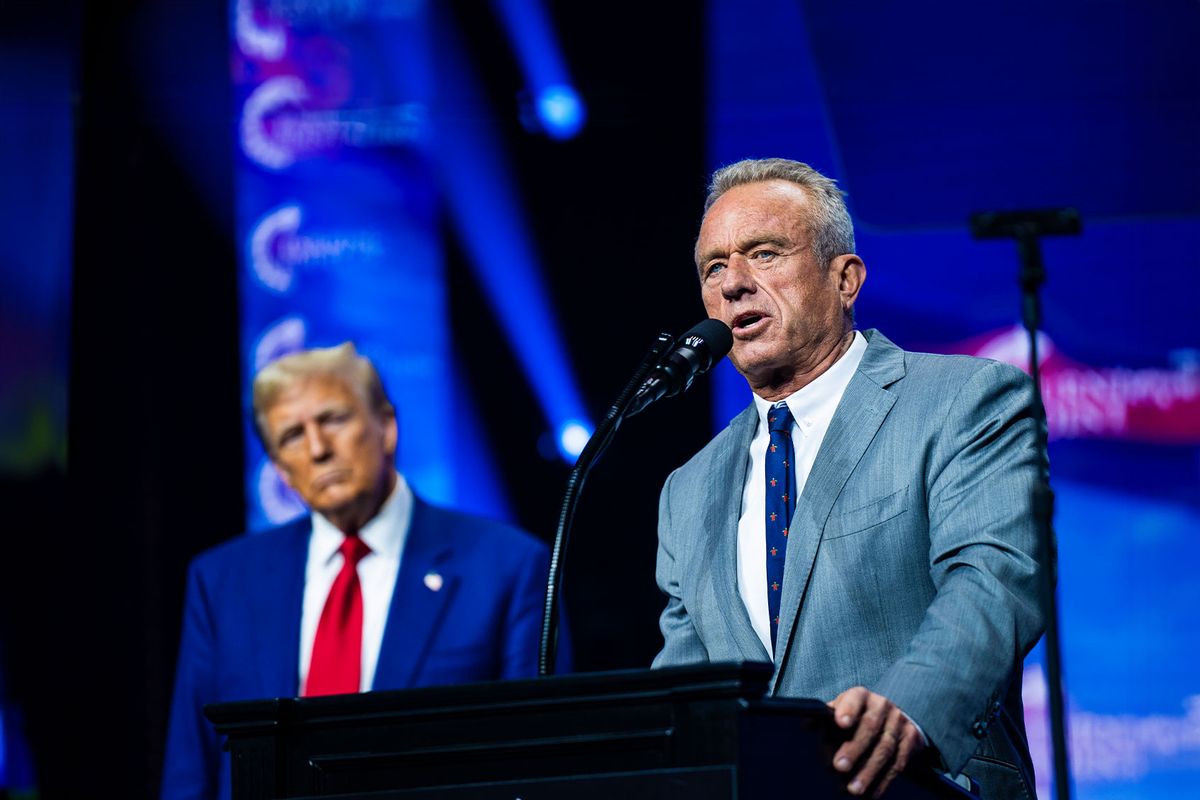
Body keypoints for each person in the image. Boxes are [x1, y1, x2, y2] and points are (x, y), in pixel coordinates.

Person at [653, 158, 1044, 799]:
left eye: (764, 253)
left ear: (845, 279)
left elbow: (994, 580)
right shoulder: (688, 491)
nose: (733, 285)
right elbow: (687, 694)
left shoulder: (963, 399)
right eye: (713, 268)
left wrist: (910, 710)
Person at [162, 343, 563, 800]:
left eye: (333, 419)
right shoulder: (222, 581)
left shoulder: (506, 566)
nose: (317, 449)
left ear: (386, 426)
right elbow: (189, 771)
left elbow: (536, 771)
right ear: (280, 469)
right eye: (292, 435)